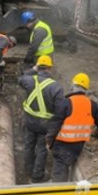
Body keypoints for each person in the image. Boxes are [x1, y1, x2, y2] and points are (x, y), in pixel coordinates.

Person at [46, 73, 98, 182]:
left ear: (73, 86)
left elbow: (55, 125)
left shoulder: (65, 103)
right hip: (79, 146)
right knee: (64, 167)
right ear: (86, 89)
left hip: (63, 145)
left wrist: (49, 142)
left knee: (59, 175)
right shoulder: (92, 104)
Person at [18, 55, 64, 183]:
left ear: (38, 67)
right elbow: (60, 110)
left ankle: (28, 170)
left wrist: (32, 70)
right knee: (42, 149)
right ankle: (37, 176)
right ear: (50, 68)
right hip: (45, 125)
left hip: (30, 122)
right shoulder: (56, 87)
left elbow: (20, 79)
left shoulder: (29, 80)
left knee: (28, 146)